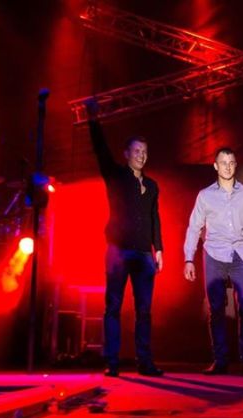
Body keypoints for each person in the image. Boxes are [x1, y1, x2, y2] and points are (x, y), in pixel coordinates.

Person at [85, 99, 164, 377]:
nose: (141, 156)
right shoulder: (116, 175)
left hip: (144, 253)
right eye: (137, 151)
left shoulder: (152, 185)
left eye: (145, 152)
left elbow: (154, 217)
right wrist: (93, 119)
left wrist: (159, 249)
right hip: (118, 249)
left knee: (144, 310)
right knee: (113, 307)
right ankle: (112, 362)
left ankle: (145, 362)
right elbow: (100, 150)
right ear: (127, 153)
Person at [183, 147, 243, 377]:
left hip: (241, 254)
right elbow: (194, 227)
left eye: (231, 162)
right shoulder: (205, 195)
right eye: (223, 162)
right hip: (214, 255)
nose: (228, 167)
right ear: (215, 166)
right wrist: (189, 258)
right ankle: (220, 361)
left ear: (235, 165)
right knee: (216, 310)